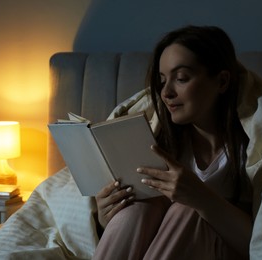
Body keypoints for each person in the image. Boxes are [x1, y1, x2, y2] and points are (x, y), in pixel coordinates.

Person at [93, 25, 253, 259]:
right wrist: (105, 218)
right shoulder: (158, 142)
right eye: (162, 80)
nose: (166, 92)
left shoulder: (251, 150)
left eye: (181, 78)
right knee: (136, 210)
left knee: (187, 211)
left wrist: (200, 197)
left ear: (221, 81)